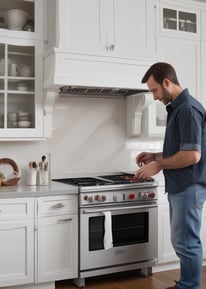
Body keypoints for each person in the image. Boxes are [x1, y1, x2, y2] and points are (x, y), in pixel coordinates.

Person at [135, 62, 206, 289]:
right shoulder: (179, 108)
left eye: (155, 90)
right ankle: (187, 284)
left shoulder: (187, 109)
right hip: (182, 186)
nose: (154, 97)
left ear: (167, 82)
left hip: (189, 185)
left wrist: (159, 165)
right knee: (182, 241)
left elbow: (192, 155)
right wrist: (156, 156)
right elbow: (182, 148)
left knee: (187, 242)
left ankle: (189, 286)